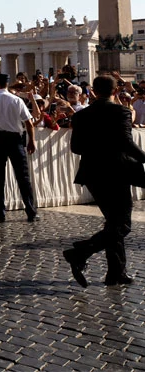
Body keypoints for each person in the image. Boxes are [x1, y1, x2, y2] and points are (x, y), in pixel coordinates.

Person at [63, 75, 144, 287]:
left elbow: (76, 148)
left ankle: (116, 272)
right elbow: (127, 143)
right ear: (115, 91)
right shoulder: (122, 112)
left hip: (92, 174)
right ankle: (80, 252)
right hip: (116, 172)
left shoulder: (81, 116)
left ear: (92, 92)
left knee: (113, 223)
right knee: (122, 225)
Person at [0, 73, 39, 223]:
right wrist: (32, 141)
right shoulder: (17, 100)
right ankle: (30, 210)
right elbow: (28, 123)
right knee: (23, 177)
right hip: (15, 139)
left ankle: (0, 212)